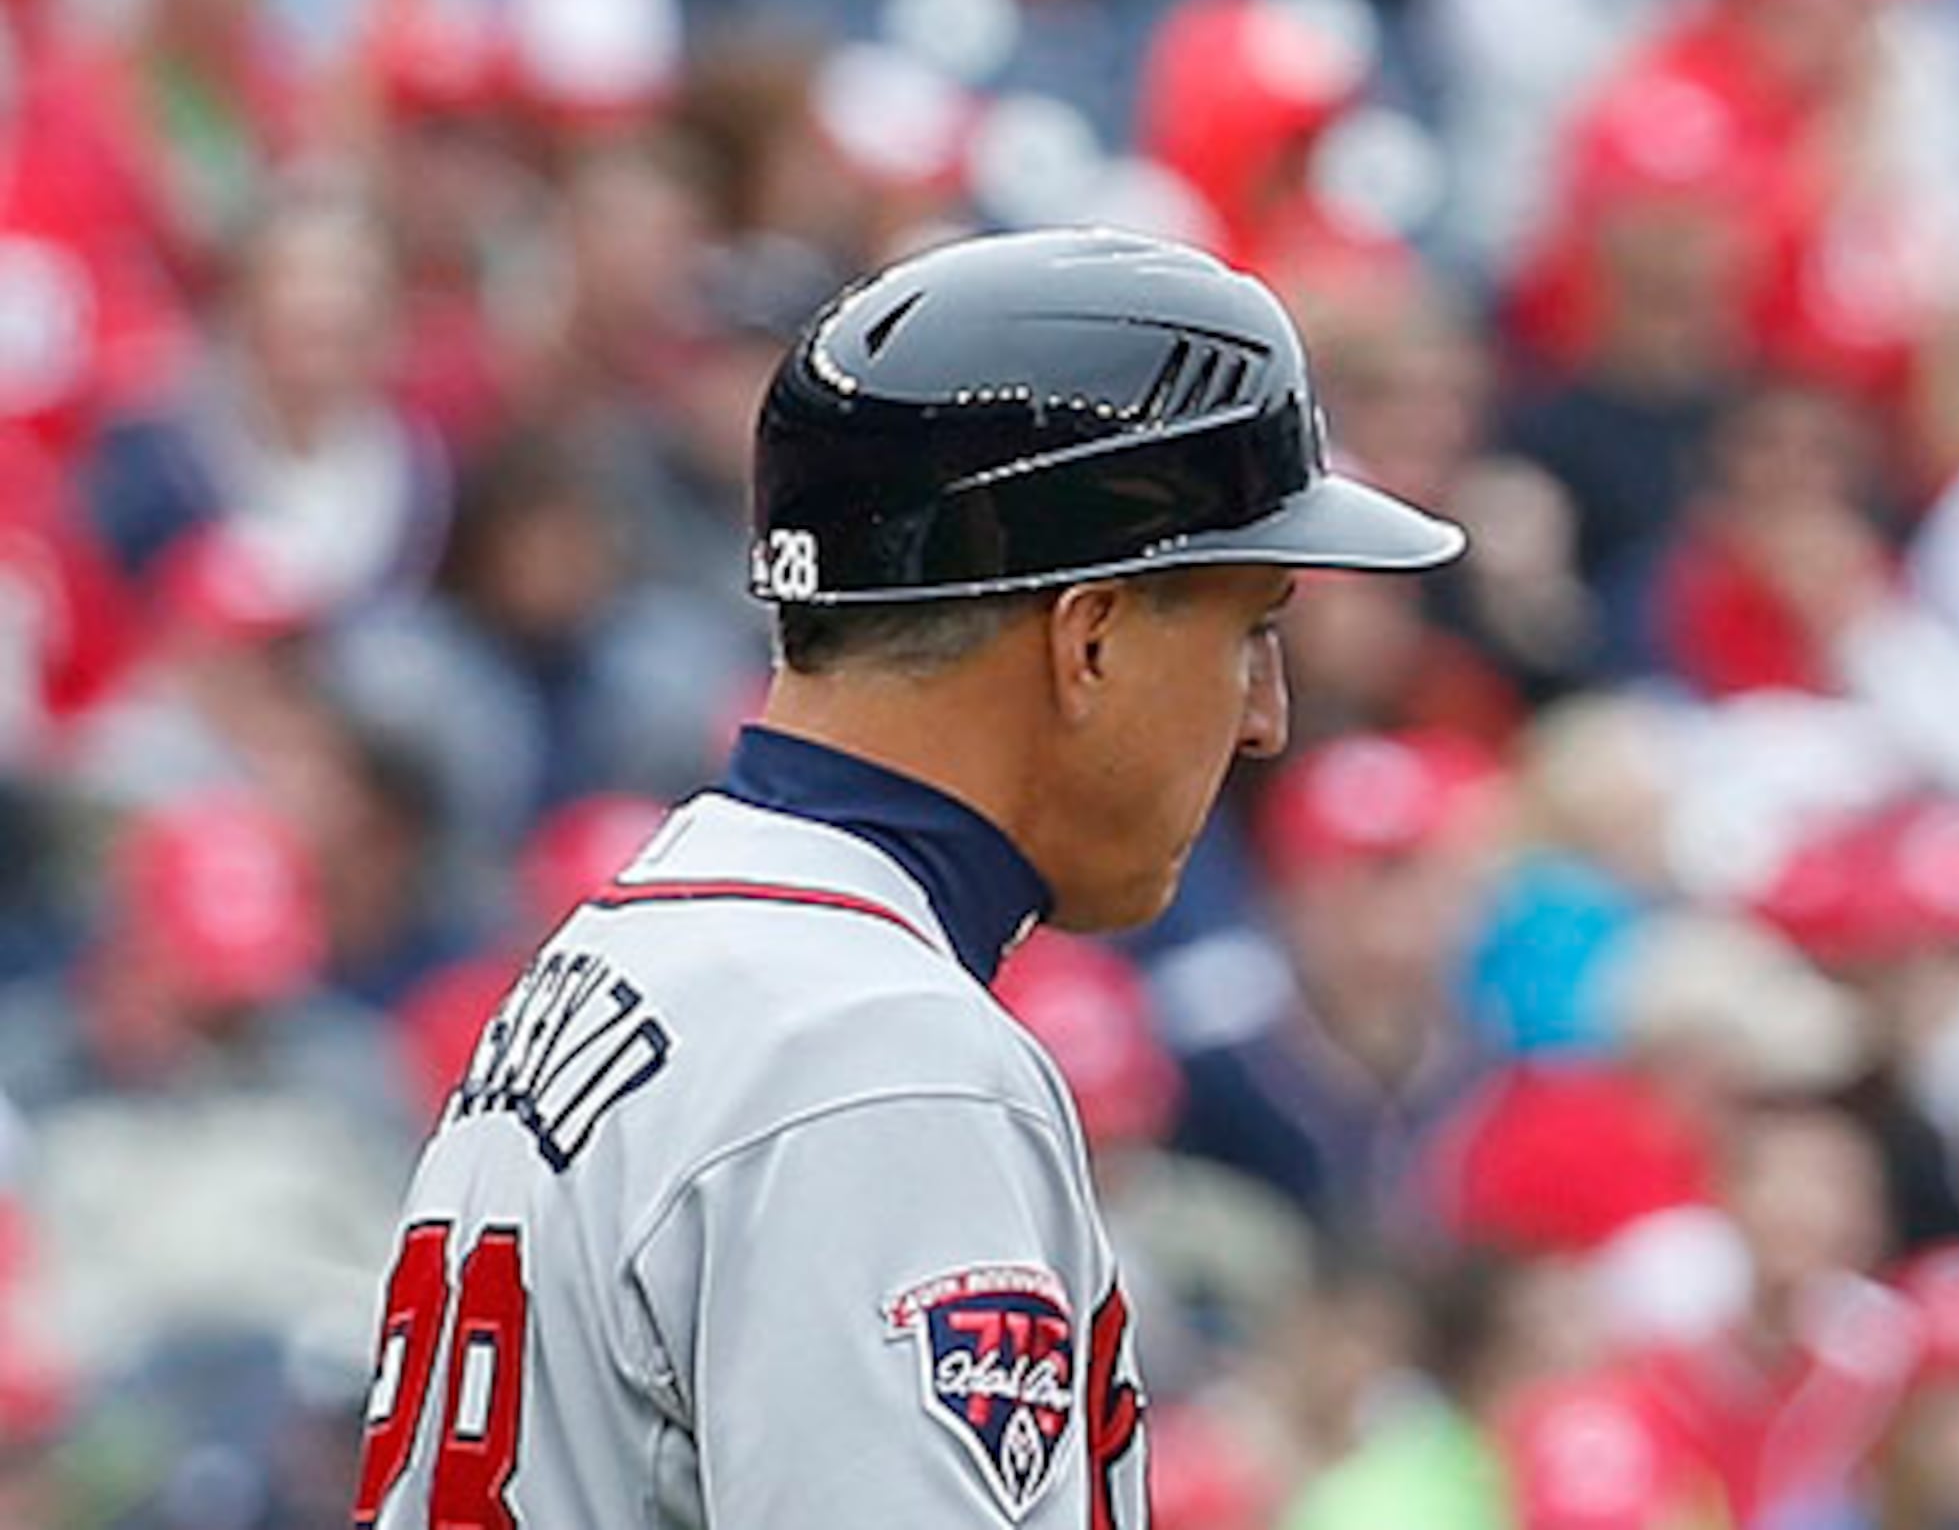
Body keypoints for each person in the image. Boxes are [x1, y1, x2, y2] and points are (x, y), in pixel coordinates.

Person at [349, 226, 1463, 1527]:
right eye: (1251, 628)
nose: (1267, 715)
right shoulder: (875, 1054)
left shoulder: (642, 947)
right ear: (1091, 641)